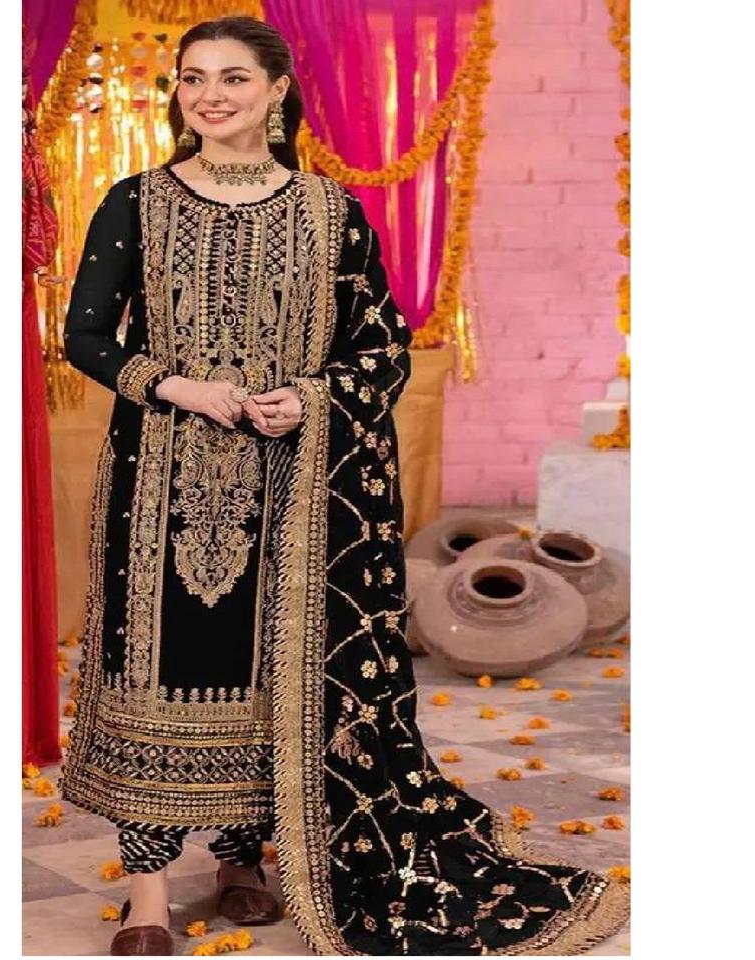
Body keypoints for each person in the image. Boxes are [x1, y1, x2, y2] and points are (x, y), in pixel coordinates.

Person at [58, 15, 630, 958]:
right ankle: (147, 893)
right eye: (194, 78)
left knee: (268, 677)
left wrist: (312, 399)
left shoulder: (331, 212)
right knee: (158, 668)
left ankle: (245, 858)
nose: (210, 96)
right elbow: (85, 337)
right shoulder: (137, 202)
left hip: (298, 487)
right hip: (159, 482)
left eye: (233, 78)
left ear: (277, 91)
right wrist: (184, 388)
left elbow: (380, 347)